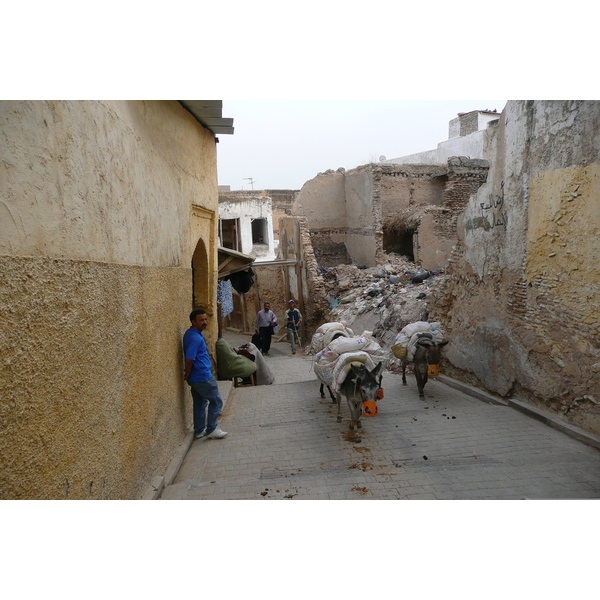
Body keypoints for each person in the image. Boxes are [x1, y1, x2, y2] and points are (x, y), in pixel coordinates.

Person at [183, 309, 228, 440]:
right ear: (193, 321)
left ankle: (199, 429)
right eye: (201, 320)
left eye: (205, 319)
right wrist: (188, 373)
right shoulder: (195, 338)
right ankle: (212, 429)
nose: (204, 322)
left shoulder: (190, 333)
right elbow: (189, 358)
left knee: (200, 402)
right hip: (202, 377)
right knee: (216, 401)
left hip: (196, 377)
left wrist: (189, 375)